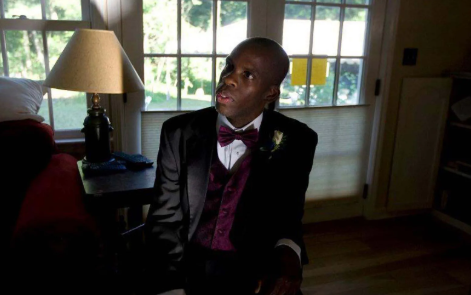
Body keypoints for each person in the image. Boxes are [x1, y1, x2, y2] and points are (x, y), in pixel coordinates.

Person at [143, 37, 318, 295]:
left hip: (254, 275)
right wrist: (172, 286)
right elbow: (164, 220)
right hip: (188, 270)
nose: (228, 79)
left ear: (270, 93)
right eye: (228, 67)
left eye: (247, 74)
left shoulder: (296, 139)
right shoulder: (178, 132)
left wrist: (289, 252)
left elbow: (288, 214)